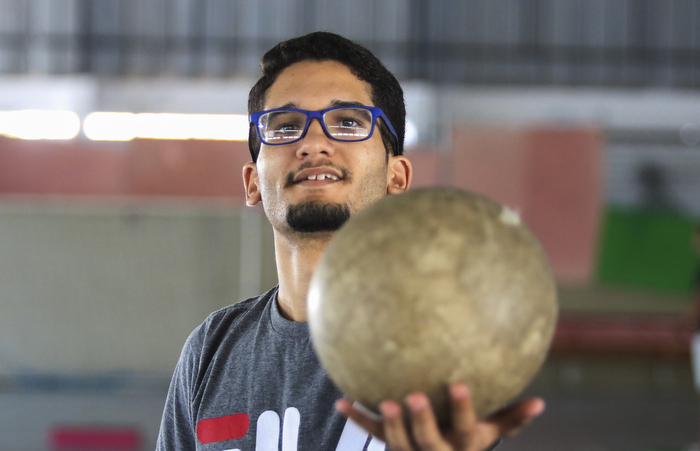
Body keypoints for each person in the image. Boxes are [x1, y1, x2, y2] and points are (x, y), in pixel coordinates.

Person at [156, 31, 544, 451]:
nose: (314, 143)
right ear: (252, 183)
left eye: (347, 122)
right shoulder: (211, 350)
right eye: (286, 127)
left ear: (397, 178)